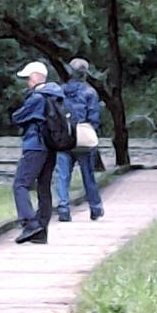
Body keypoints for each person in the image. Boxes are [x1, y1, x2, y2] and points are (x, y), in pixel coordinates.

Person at [10, 60, 64, 244]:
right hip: (51, 146)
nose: (27, 82)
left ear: (35, 77)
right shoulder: (57, 96)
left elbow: (17, 117)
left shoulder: (37, 98)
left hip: (35, 145)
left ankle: (30, 224)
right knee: (44, 187)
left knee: (20, 184)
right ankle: (42, 231)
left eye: (28, 78)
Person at [56, 56, 104, 222]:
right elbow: (94, 119)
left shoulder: (60, 91)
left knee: (62, 176)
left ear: (70, 72)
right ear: (85, 73)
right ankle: (95, 208)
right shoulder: (90, 92)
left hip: (64, 139)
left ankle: (63, 209)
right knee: (88, 175)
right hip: (83, 138)